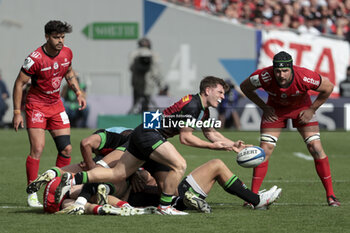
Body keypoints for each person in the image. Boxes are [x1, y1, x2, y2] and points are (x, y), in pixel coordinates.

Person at [55, 76, 250, 215]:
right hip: (150, 134)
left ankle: (72, 180)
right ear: (207, 90)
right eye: (220, 92)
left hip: (145, 132)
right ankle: (165, 207)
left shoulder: (202, 110)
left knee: (118, 174)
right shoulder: (193, 106)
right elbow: (186, 138)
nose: (223, 97)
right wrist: (214, 147)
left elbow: (210, 133)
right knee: (179, 165)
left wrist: (232, 144)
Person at [240, 51, 340, 207]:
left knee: (316, 148)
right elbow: (244, 87)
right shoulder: (264, 76)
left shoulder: (305, 76)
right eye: (278, 71)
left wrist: (312, 110)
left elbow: (328, 87)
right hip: (275, 111)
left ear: (292, 68)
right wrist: (264, 107)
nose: (281, 75)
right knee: (265, 150)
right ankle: (252, 197)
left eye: (285, 70)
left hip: (302, 109)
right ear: (273, 69)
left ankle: (331, 195)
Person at [12, 20, 87, 207]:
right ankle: (32, 192)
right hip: (36, 104)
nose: (60, 41)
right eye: (56, 37)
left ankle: (54, 188)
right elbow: (19, 83)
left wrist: (78, 92)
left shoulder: (67, 53)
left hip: (56, 105)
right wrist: (16, 112)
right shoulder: (35, 58)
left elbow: (68, 72)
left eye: (62, 37)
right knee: (38, 148)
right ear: (47, 37)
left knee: (66, 149)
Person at [128, 37, 164, 114]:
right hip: (138, 82)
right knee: (137, 104)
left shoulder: (153, 55)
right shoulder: (134, 54)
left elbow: (156, 71)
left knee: (144, 103)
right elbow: (131, 67)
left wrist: (160, 83)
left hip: (147, 83)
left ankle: (142, 117)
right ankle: (137, 117)